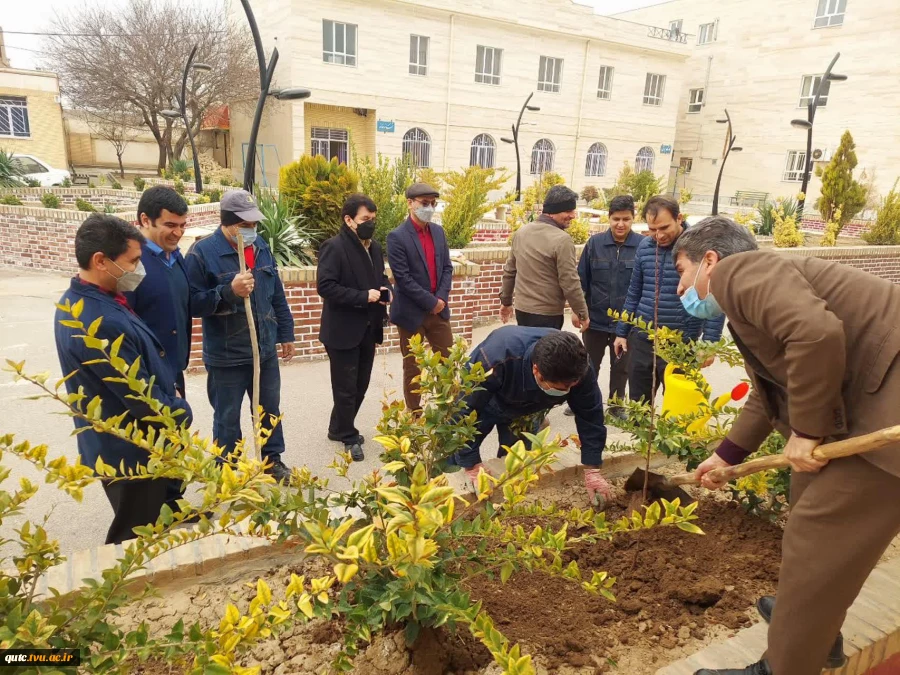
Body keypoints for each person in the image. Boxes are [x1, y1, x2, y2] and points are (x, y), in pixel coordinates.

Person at [674, 217, 900, 675]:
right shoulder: (758, 290)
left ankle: (785, 667)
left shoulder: (740, 274)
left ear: (710, 261)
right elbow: (771, 388)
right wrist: (727, 455)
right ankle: (815, 626)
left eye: (682, 271)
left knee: (816, 537)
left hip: (888, 415)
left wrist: (809, 431)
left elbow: (816, 334)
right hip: (874, 405)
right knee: (806, 500)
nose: (681, 289)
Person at [54, 214, 193, 545]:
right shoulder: (96, 321)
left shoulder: (88, 300)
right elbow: (138, 397)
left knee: (153, 516)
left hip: (134, 442)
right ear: (101, 261)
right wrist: (179, 409)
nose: (138, 270)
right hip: (130, 451)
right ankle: (128, 589)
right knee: (134, 534)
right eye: (132, 261)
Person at [185, 189, 295, 482]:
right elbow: (193, 303)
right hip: (227, 355)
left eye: (254, 224)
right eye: (244, 226)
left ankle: (272, 461)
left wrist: (286, 333)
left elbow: (277, 295)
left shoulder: (261, 248)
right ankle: (228, 472)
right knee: (227, 417)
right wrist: (228, 292)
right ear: (227, 222)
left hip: (265, 349)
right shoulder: (201, 253)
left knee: (269, 410)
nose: (251, 231)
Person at [455, 327, 612, 505]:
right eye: (558, 388)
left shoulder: (578, 368)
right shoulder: (494, 357)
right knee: (459, 456)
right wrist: (471, 464)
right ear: (536, 370)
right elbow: (464, 411)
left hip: (528, 411)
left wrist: (592, 469)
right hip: (488, 402)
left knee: (516, 463)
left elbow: (591, 416)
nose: (565, 392)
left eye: (570, 387)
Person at [613, 195, 723, 404]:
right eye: (652, 229)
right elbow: (634, 291)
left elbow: (715, 297)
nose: (658, 235)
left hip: (682, 343)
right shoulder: (645, 248)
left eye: (664, 227)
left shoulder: (699, 251)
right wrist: (622, 332)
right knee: (639, 404)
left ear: (679, 218)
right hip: (644, 341)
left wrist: (710, 343)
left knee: (679, 406)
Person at [317, 194, 391, 462]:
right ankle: (347, 435)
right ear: (349, 220)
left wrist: (386, 290)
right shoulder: (333, 247)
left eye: (373, 219)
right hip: (342, 330)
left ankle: (337, 427)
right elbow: (325, 286)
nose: (370, 223)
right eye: (365, 219)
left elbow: (380, 277)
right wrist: (363, 296)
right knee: (345, 386)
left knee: (360, 384)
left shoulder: (374, 247)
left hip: (368, 328)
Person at [569, 194, 643, 421]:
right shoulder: (595, 244)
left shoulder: (643, 246)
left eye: (626, 219)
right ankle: (582, 401)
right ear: (609, 219)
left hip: (627, 322)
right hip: (596, 318)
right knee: (588, 364)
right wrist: (577, 310)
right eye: (616, 219)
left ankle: (616, 405)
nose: (621, 224)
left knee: (622, 366)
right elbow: (582, 279)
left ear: (633, 219)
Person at [387, 182, 454, 412]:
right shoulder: (396, 237)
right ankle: (414, 413)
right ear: (410, 203)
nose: (430, 208)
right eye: (425, 203)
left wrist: (441, 299)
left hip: (439, 311)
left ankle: (448, 411)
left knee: (448, 362)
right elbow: (403, 279)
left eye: (433, 204)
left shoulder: (438, 232)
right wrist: (431, 302)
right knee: (413, 367)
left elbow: (447, 267)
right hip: (411, 314)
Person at [125, 186, 191, 396]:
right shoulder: (129, 264)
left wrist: (226, 293)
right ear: (145, 220)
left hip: (174, 371)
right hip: (147, 379)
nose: (178, 233)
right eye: (170, 225)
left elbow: (185, 305)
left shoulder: (175, 256)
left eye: (182, 226)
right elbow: (123, 329)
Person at [499, 184, 590, 331]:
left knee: (527, 351)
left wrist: (506, 302)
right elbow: (569, 281)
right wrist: (582, 313)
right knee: (545, 353)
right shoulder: (562, 240)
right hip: (548, 314)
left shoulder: (521, 233)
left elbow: (510, 271)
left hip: (522, 311)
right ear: (553, 211)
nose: (573, 215)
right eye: (568, 210)